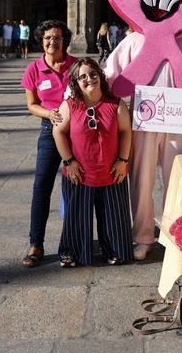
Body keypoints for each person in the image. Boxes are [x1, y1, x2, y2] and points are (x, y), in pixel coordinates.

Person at [104, 2, 182, 261]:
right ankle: (142, 236)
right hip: (145, 119)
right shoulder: (133, 40)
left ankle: (174, 235)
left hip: (178, 119)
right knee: (141, 179)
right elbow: (111, 71)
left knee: (178, 179)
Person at [52, 57, 133, 267]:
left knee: (113, 216)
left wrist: (122, 160)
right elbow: (58, 132)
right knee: (76, 217)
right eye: (83, 77)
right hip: (79, 173)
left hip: (111, 171)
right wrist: (69, 161)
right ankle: (72, 252)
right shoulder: (69, 105)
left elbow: (125, 132)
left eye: (93, 74)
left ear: (101, 76)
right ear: (76, 82)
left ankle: (114, 249)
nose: (89, 79)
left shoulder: (116, 104)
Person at [19, 20, 76, 268]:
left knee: (75, 188)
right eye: (48, 38)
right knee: (41, 186)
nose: (53, 41)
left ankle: (72, 244)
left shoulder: (75, 66)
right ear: (41, 40)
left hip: (77, 132)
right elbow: (31, 104)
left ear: (65, 41)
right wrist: (49, 113)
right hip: (49, 131)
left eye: (58, 37)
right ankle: (36, 244)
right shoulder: (34, 69)